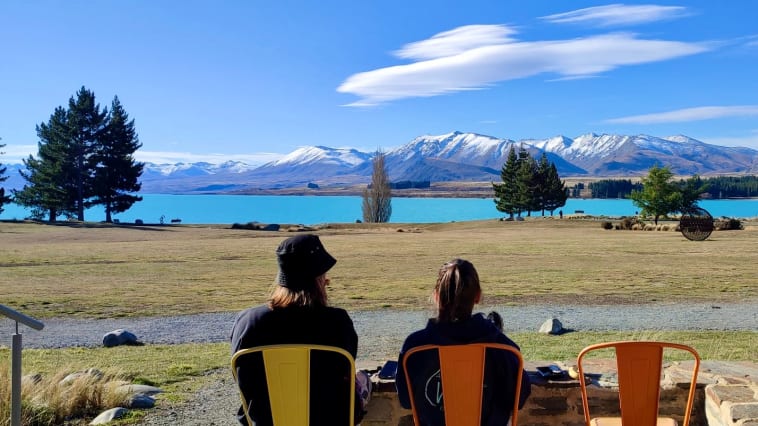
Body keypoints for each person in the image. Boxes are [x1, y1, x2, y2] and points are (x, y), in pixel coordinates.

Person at [230, 234, 369, 425]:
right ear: (319, 279)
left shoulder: (247, 321)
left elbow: (241, 378)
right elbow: (345, 368)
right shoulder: (337, 321)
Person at [396, 258, 531, 425]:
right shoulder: (503, 348)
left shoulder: (415, 347)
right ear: (477, 296)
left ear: (437, 296)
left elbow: (406, 400)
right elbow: (519, 398)